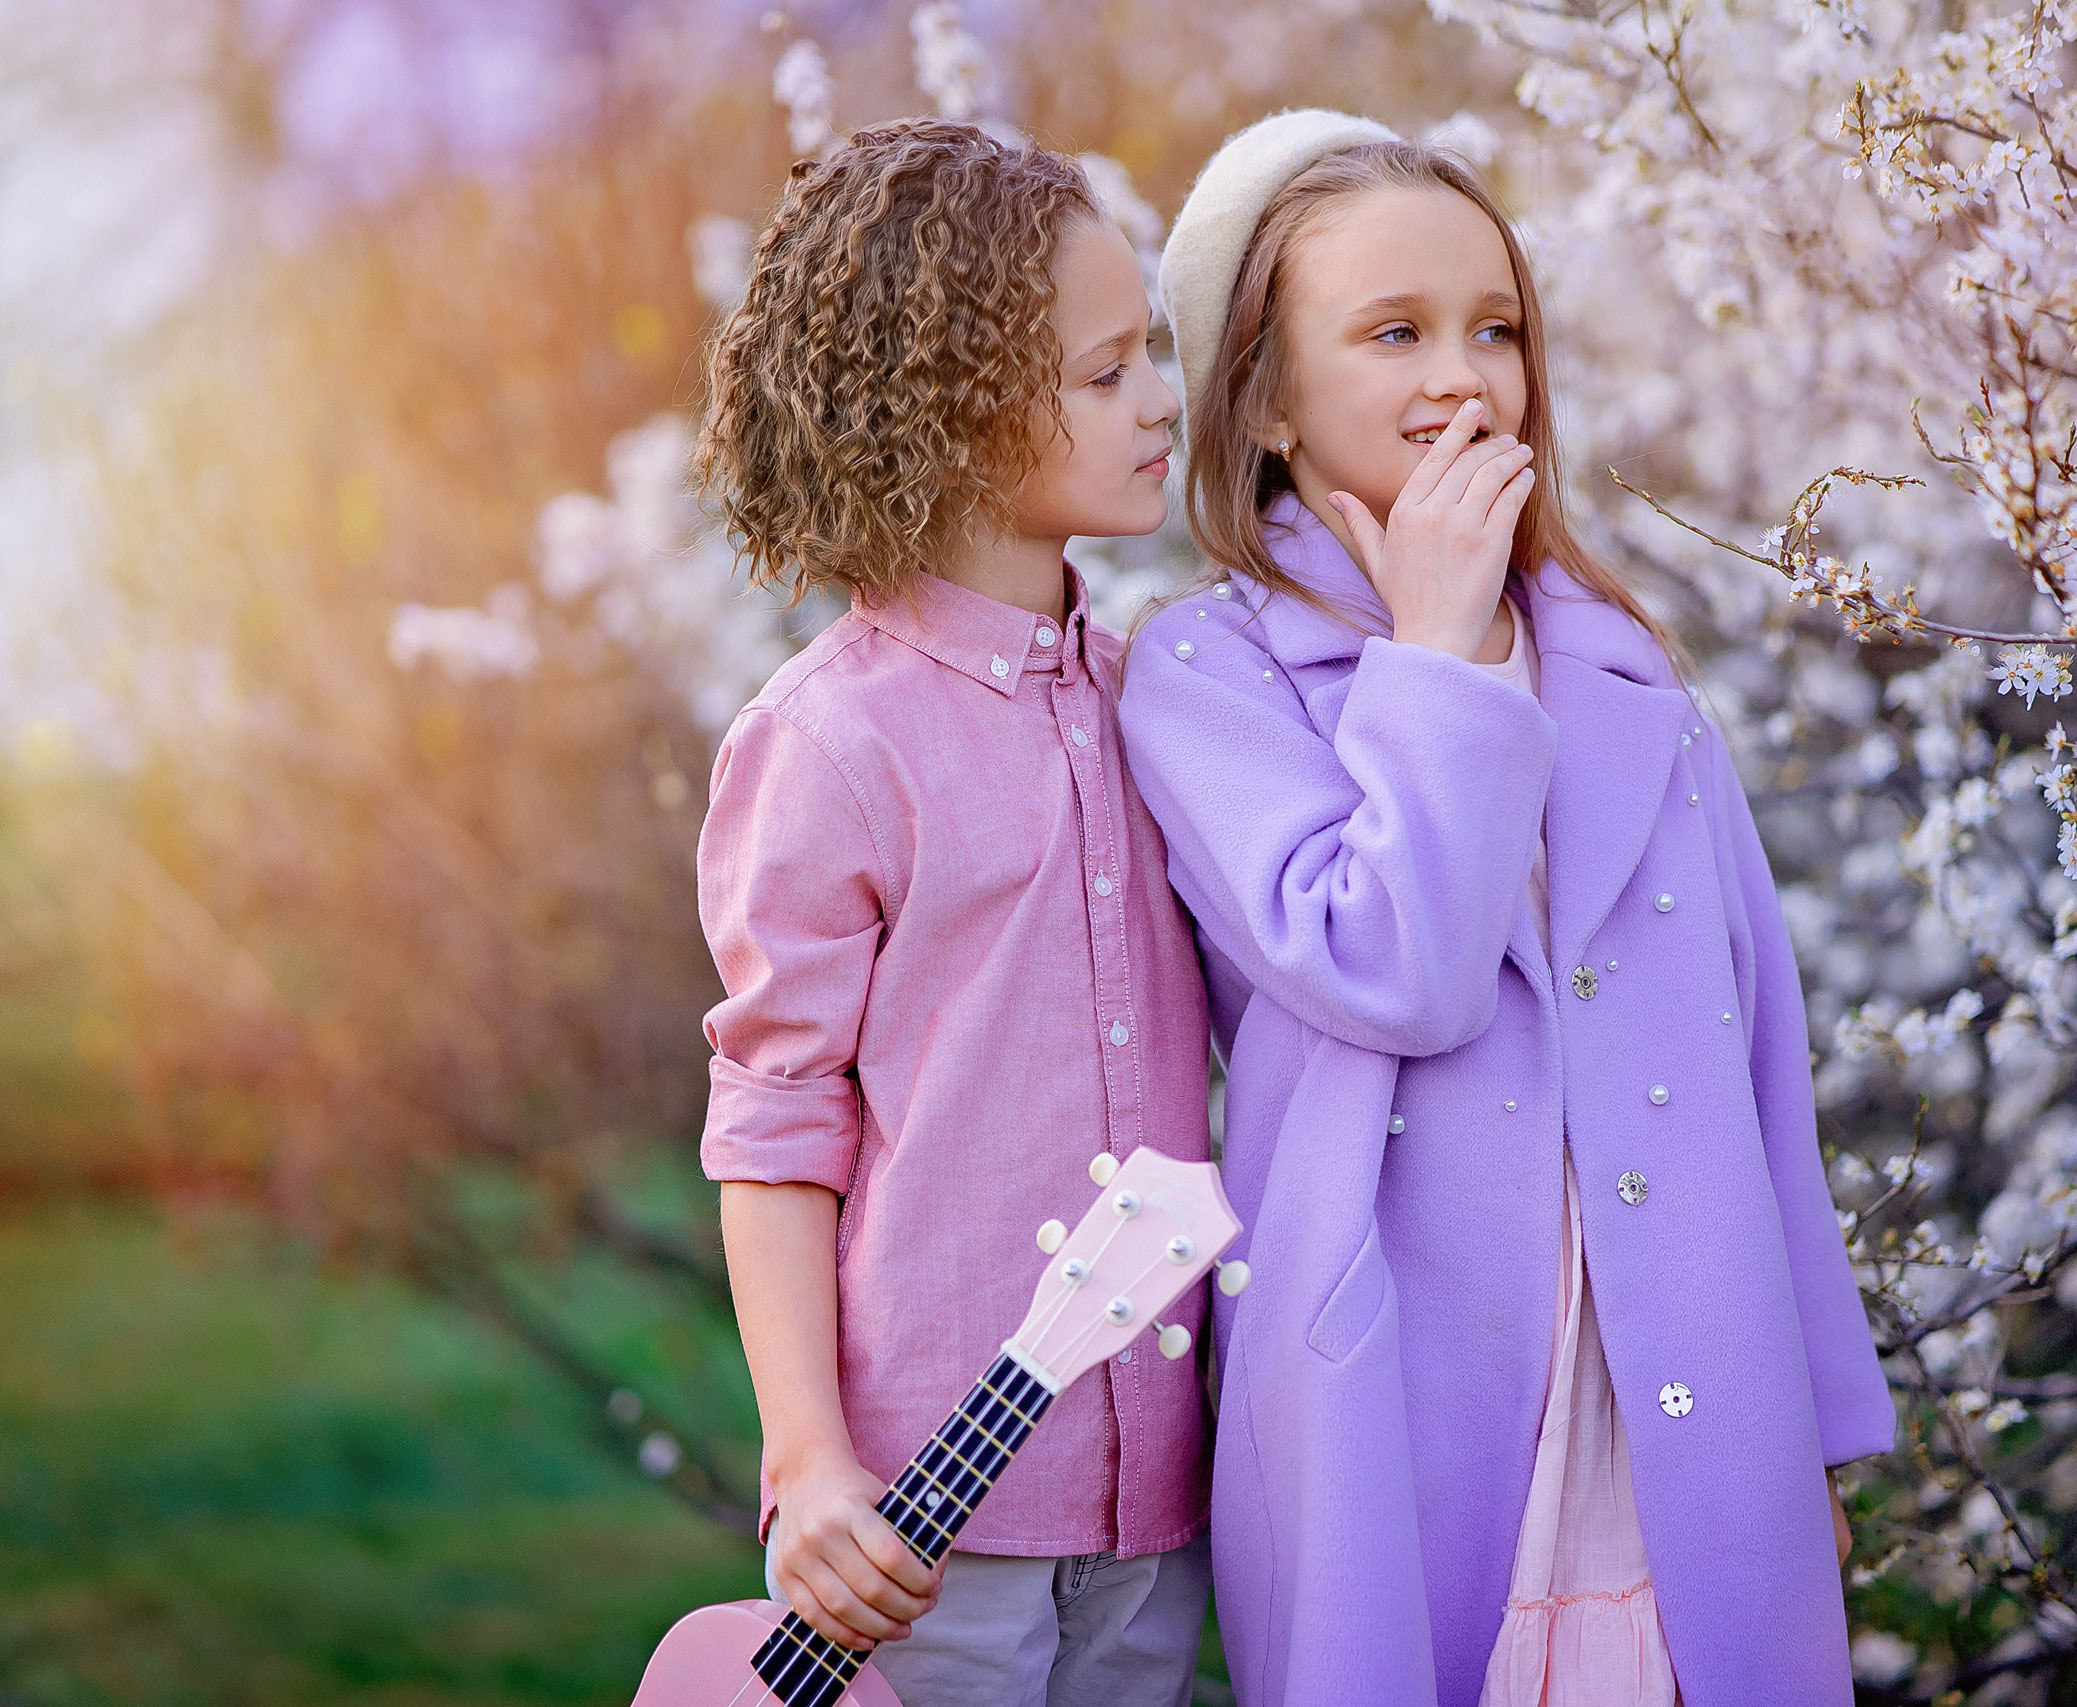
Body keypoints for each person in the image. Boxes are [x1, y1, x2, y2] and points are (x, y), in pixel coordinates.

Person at [1117, 111, 1896, 1707]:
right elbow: (1392, 969)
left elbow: (1764, 1065)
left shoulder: (1626, 663)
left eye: (1496, 330)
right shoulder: (1210, 675)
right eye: (1392, 332)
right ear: (1262, 396)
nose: (1460, 376)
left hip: (1684, 1374)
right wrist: (1429, 649)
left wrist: (1814, 1420)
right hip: (1408, 1391)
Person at [690, 118, 1212, 1707]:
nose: (1163, 401)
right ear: (963, 412)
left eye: (1156, 356)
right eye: (1107, 369)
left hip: (1164, 1490)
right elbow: (777, 1126)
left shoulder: (1164, 702)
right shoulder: (833, 741)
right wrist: (811, 1465)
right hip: (936, 1518)